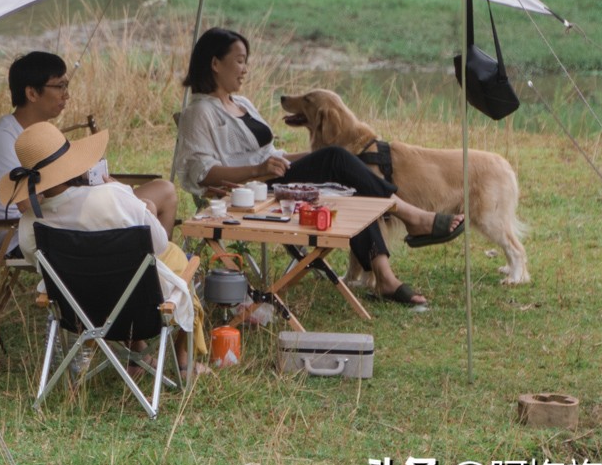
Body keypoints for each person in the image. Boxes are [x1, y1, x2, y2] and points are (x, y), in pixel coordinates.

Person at [172, 27, 464, 307]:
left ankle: (385, 277)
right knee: (335, 157)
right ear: (214, 63)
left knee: (347, 176)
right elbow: (203, 173)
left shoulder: (242, 103)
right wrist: (257, 169)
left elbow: (273, 155)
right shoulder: (199, 113)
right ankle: (411, 216)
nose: (245, 68)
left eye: (246, 61)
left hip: (272, 178)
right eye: (239, 61)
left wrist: (296, 160)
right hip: (247, 192)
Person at [0, 120, 205, 372]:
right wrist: (136, 200)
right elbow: (159, 243)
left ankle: (137, 353)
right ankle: (182, 361)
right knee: (178, 258)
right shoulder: (112, 196)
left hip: (77, 312)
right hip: (143, 307)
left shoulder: (30, 224)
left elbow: (41, 268)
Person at [0, 51, 178, 234]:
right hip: (31, 231)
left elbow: (63, 182)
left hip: (66, 213)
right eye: (60, 86)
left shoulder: (44, 132)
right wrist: (88, 197)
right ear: (32, 93)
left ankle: (155, 266)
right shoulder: (3, 137)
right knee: (145, 208)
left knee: (164, 190)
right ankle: (151, 268)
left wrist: (100, 187)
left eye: (66, 86)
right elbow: (26, 204)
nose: (67, 95)